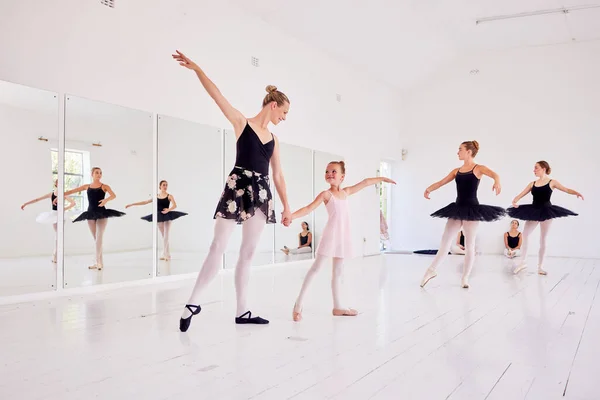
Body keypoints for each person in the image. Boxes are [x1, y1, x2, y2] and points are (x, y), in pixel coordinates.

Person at [172, 50, 292, 331]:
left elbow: (279, 175)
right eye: (284, 112)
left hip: (261, 194)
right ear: (273, 105)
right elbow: (217, 96)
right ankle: (193, 302)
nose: (285, 118)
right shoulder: (242, 123)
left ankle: (242, 311)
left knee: (247, 254)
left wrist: (287, 206)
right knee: (218, 246)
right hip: (238, 187)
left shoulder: (274, 140)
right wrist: (198, 69)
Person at [290, 161, 395, 321]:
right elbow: (308, 208)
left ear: (342, 176)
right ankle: (298, 305)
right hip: (331, 235)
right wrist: (291, 216)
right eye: (327, 171)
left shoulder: (345, 193)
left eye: (334, 171)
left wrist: (382, 178)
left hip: (343, 236)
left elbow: (365, 182)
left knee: (338, 272)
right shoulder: (326, 195)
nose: (329, 173)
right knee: (316, 269)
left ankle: (338, 307)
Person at [420, 141, 505, 289]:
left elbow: (495, 174)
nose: (457, 152)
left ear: (469, 152)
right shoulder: (456, 171)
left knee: (469, 245)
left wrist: (497, 182)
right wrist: (429, 189)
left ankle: (465, 278)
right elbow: (441, 183)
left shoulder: (479, 168)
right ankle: (431, 271)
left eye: (460, 149)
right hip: (457, 208)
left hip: (472, 209)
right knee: (445, 241)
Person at [508, 161, 583, 275]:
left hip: (547, 211)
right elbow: (521, 194)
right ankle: (523, 262)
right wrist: (515, 200)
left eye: (536, 168)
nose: (534, 170)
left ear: (543, 169)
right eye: (534, 168)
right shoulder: (532, 183)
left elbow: (566, 189)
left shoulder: (552, 182)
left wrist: (576, 193)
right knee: (525, 234)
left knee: (543, 239)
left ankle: (540, 267)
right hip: (533, 211)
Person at [63, 167, 125, 270]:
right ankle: (100, 263)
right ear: (92, 174)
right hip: (90, 214)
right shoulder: (87, 186)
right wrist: (60, 194)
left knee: (99, 238)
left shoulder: (104, 186)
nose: (99, 174)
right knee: (96, 239)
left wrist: (105, 200)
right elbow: (73, 191)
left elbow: (113, 195)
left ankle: (97, 262)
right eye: (97, 173)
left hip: (102, 213)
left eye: (100, 173)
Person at [126, 180, 188, 261]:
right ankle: (167, 254)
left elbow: (175, 205)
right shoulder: (156, 196)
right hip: (158, 216)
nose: (165, 187)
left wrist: (168, 210)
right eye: (163, 185)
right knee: (164, 236)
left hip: (167, 216)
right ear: (160, 186)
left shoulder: (169, 196)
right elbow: (145, 202)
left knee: (166, 236)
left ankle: (166, 255)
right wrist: (132, 204)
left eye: (166, 185)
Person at [21, 179, 76, 263]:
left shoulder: (64, 194)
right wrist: (26, 204)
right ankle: (55, 255)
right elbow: (37, 199)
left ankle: (56, 255)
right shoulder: (51, 194)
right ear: (56, 184)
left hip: (61, 215)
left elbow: (73, 203)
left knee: (59, 235)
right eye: (59, 183)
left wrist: (64, 208)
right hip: (53, 215)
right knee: (57, 235)